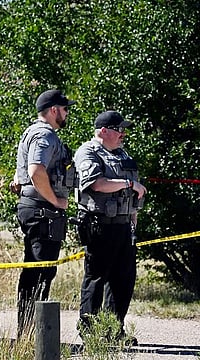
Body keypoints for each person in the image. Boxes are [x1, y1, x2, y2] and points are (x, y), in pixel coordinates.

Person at [73, 110, 147, 344]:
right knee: (95, 279)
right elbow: (96, 183)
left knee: (122, 280)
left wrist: (133, 217)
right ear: (104, 131)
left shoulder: (122, 154)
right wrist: (129, 183)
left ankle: (114, 331)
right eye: (118, 129)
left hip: (124, 226)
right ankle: (91, 333)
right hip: (99, 225)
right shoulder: (88, 152)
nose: (122, 134)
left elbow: (132, 195)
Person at [11, 89, 76, 336]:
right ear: (53, 110)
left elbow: (23, 173)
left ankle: (28, 333)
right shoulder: (45, 135)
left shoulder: (31, 132)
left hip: (35, 208)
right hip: (42, 211)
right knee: (41, 272)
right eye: (65, 109)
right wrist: (56, 201)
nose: (67, 113)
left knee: (35, 271)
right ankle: (33, 337)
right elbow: (36, 170)